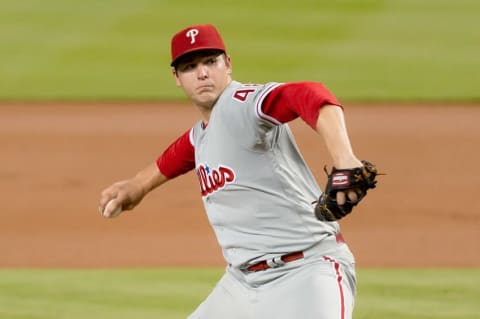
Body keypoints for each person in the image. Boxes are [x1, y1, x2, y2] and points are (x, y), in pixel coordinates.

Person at [99, 23, 371, 319]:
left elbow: (309, 93)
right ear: (177, 77)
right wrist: (138, 185)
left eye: (210, 62)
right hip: (242, 284)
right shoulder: (203, 133)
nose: (202, 73)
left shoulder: (244, 105)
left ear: (227, 64)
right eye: (190, 67)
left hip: (306, 274)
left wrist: (345, 158)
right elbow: (181, 152)